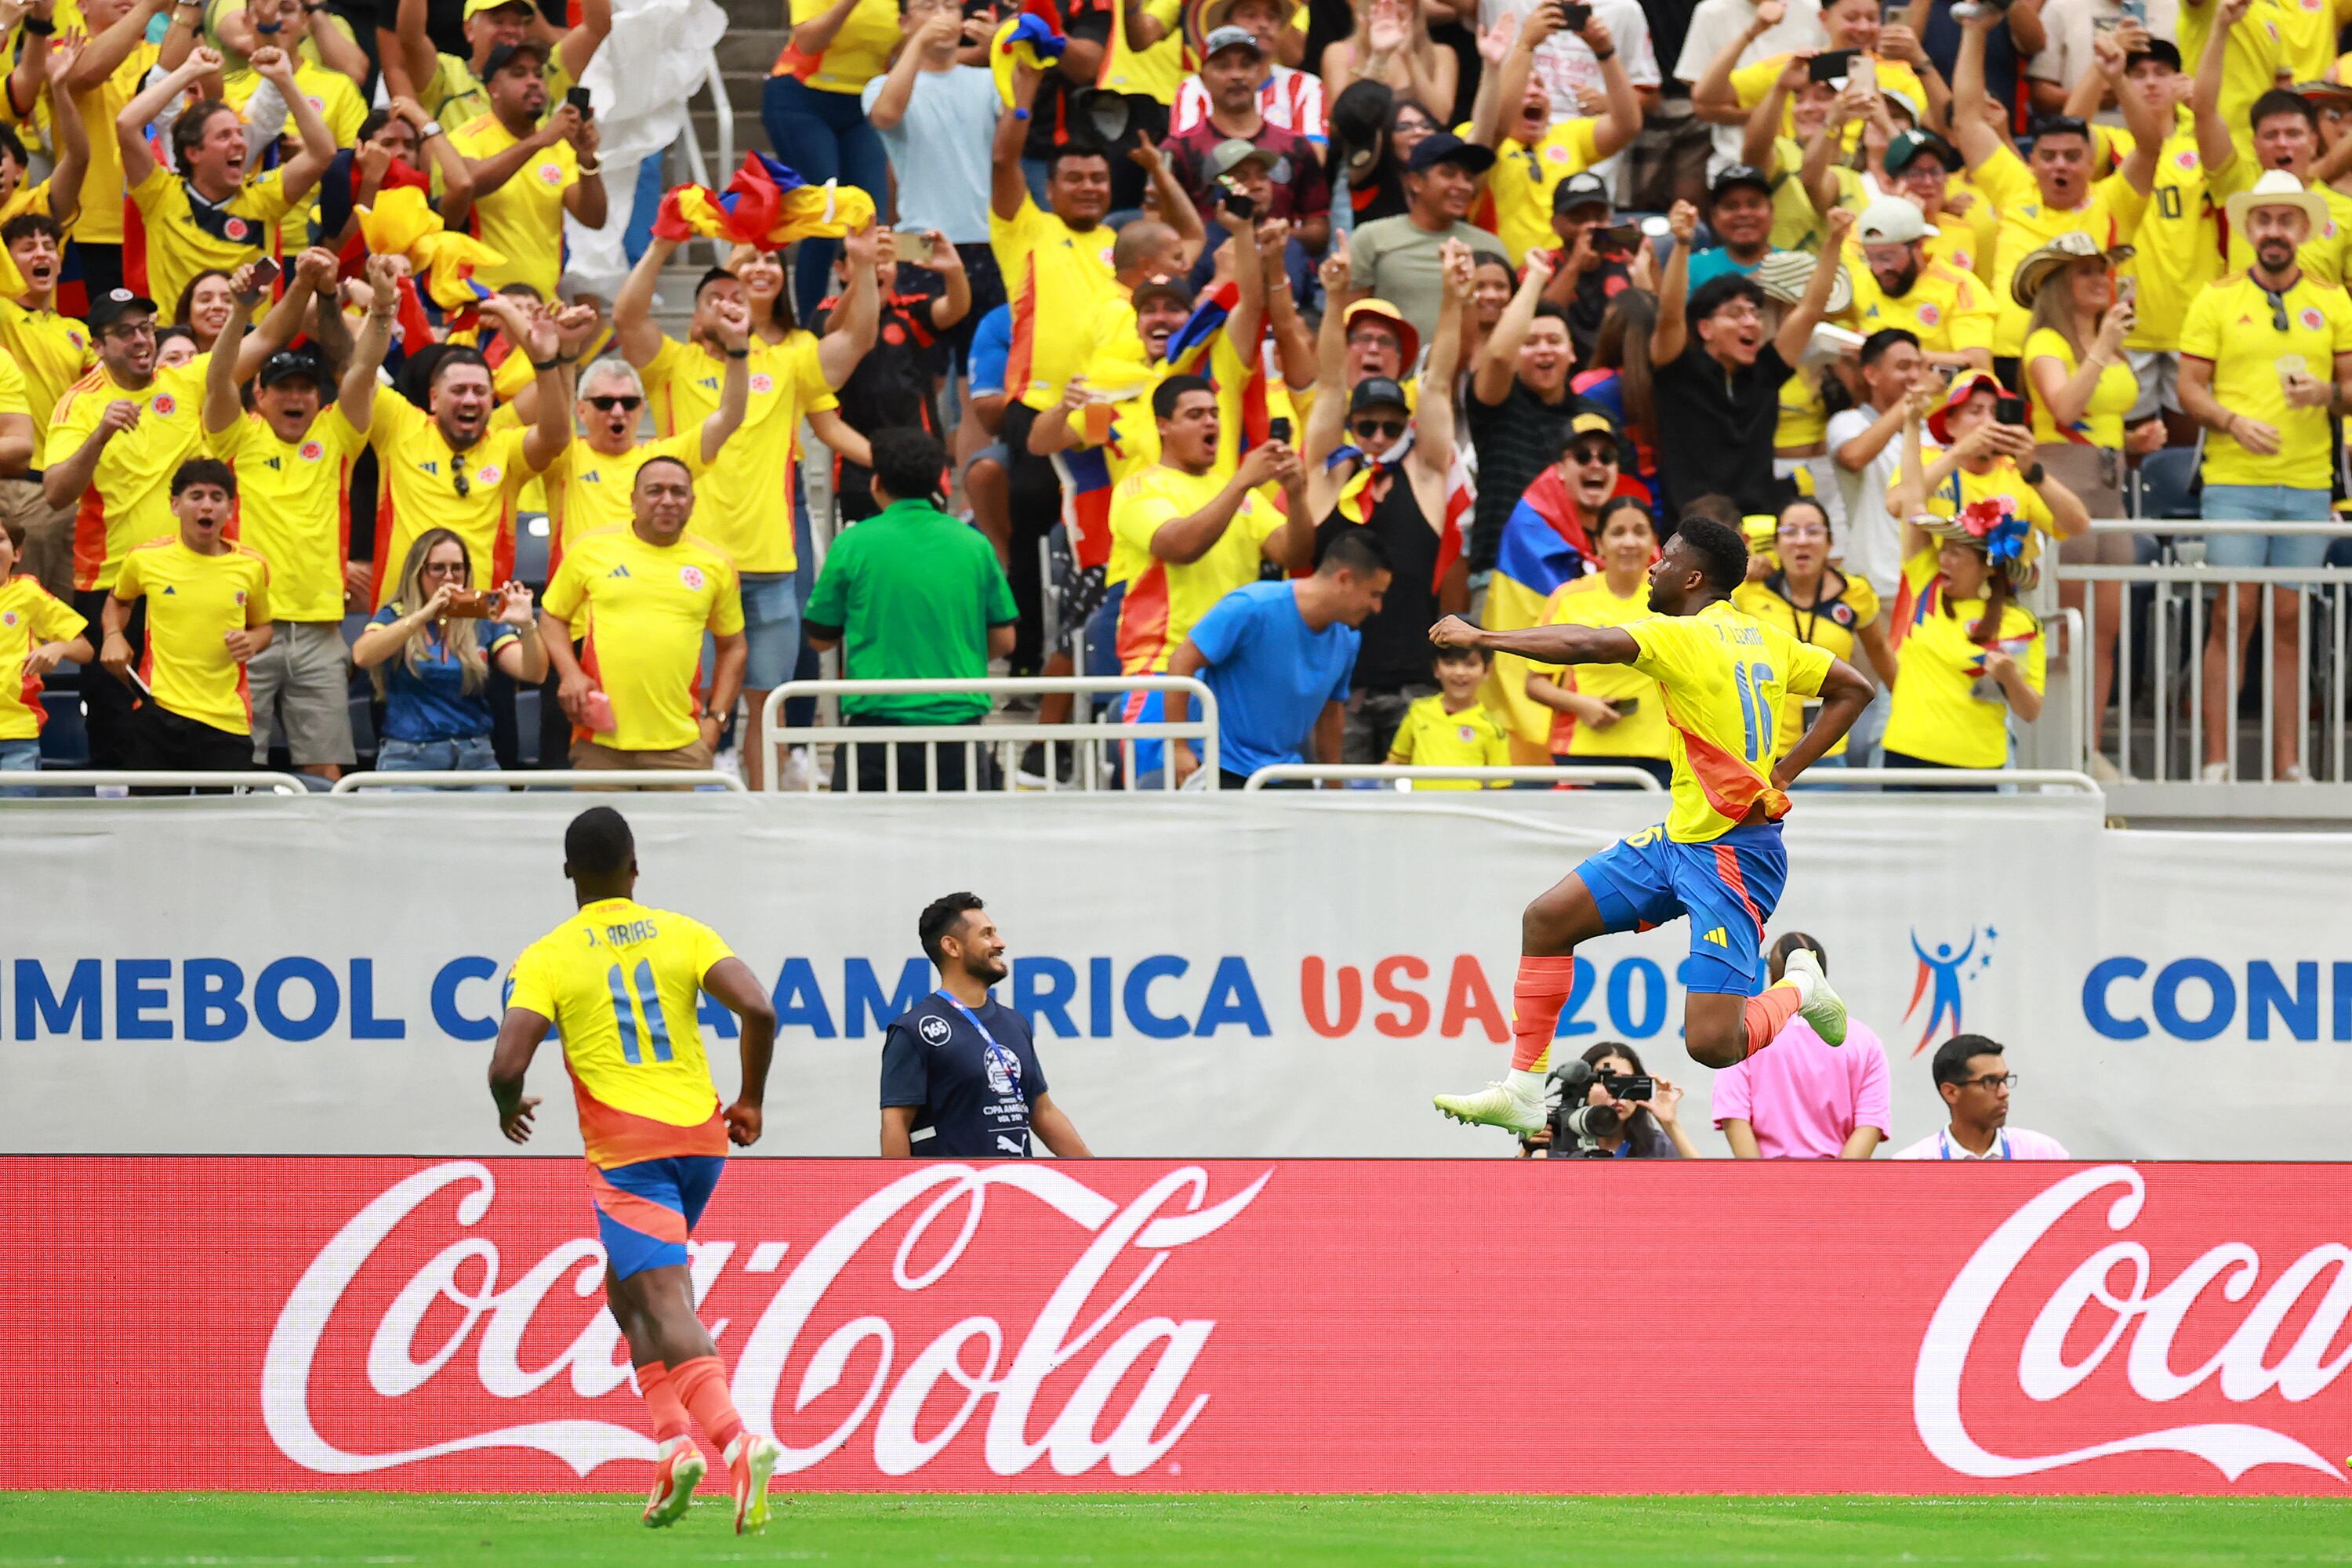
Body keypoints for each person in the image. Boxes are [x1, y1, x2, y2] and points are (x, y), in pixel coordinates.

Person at [1427, 514, 1875, 1134]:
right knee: (1547, 919)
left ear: (1693, 577)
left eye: (1664, 559)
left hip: (1733, 856)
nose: (1652, 567)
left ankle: (1800, 985)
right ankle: (1525, 1090)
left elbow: (1586, 644)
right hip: (1680, 840)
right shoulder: (1764, 638)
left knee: (1714, 1044)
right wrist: (1785, 771)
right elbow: (1854, 687)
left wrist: (1483, 637)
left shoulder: (1684, 636)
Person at [488, 806, 782, 1532]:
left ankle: (732, 1442)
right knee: (626, 1296)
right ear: (635, 866)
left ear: (568, 874)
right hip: (701, 1141)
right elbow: (760, 1009)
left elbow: (506, 1063)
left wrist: (506, 1105)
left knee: (664, 1300)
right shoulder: (684, 932)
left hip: (629, 1152)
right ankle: (671, 1446)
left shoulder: (549, 955)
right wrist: (750, 1099)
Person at [613, 228, 877, 790]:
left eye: (739, 296)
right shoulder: (672, 364)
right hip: (693, 564)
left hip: (770, 563)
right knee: (694, 700)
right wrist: (660, 246)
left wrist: (862, 265)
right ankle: (691, 809)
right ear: (699, 312)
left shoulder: (787, 361)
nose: (730, 303)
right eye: (716, 296)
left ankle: (764, 816)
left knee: (766, 703)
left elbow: (855, 339)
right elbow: (628, 319)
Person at [2180, 170, 2352, 784]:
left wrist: (2328, 392)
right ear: (2248, 227)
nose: (2274, 231)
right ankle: (2216, 761)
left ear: (2304, 228)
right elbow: (2188, 389)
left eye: (2286, 220)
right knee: (2234, 612)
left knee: (2289, 618)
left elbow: (2351, 390)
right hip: (2234, 483)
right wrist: (2232, 420)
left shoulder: (2333, 299)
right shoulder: (2216, 297)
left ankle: (2289, 763)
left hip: (2308, 483)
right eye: (2264, 220)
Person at [1306, 237, 1468, 763]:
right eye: (1366, 425)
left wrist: (1452, 298)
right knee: (1335, 820)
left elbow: (1439, 384)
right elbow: (1330, 384)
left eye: (1391, 426)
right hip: (1336, 689)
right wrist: (1333, 300)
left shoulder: (1422, 474)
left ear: (1406, 426)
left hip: (1413, 687)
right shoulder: (1329, 476)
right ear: (1351, 426)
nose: (1377, 436)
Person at [201, 252, 363, 780]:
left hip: (320, 628)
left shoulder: (334, 433)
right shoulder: (238, 435)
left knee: (325, 769)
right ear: (260, 396)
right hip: (248, 624)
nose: (296, 397)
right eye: (284, 388)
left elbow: (358, 366)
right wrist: (241, 312)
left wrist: (331, 294)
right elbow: (217, 376)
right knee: (239, 766)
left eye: (305, 389)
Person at [1107, 373, 1312, 779]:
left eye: (1215, 414)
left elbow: (1296, 552)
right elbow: (1180, 546)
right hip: (1162, 675)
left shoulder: (1241, 495)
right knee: (1159, 808)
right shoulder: (1140, 488)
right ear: (1163, 425)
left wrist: (1299, 493)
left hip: (1232, 680)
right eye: (1195, 414)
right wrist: (1240, 483)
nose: (1211, 423)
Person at [43, 286, 215, 768]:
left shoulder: (182, 382)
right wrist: (101, 432)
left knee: (188, 716)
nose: (141, 340)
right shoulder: (79, 403)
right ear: (97, 346)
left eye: (146, 328)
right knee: (116, 724)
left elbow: (259, 343)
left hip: (186, 580)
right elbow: (56, 493)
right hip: (111, 585)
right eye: (125, 332)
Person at [802, 427, 1020, 793]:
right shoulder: (974, 544)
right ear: (940, 481)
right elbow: (1005, 639)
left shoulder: (853, 544)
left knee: (862, 845)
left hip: (875, 732)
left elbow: (820, 638)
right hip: (958, 731)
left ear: (877, 483)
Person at [1947, 2, 2160, 371]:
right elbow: (1966, 119)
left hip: (2086, 361)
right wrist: (1974, 32)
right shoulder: (2015, 187)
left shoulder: (2113, 201)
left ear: (2091, 164)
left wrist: (2119, 80)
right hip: (2011, 358)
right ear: (2032, 161)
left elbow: (2150, 147)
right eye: (2049, 157)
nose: (2060, 165)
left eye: (2072, 157)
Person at [347, 288, 580, 607]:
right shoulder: (401, 428)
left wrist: (543, 361)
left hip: (479, 620)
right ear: (433, 398)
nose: (470, 399)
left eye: (480, 391)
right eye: (458, 390)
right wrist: (381, 306)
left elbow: (555, 437)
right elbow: (361, 371)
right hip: (400, 619)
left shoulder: (505, 446)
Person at [2014, 230, 2145, 770]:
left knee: (2105, 631)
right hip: (2065, 484)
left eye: (2104, 270)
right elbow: (2063, 408)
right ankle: (2056, 750)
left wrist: (2134, 443)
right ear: (2059, 284)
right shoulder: (2045, 342)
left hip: (2110, 488)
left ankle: (2089, 749)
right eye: (2088, 271)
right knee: (2065, 627)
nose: (2102, 280)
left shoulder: (2103, 340)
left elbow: (2097, 416)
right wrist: (2102, 346)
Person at [538, 457, 746, 775]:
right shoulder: (590, 550)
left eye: (678, 492)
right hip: (600, 743)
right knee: (600, 826)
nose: (667, 501)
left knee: (680, 828)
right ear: (633, 500)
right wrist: (570, 673)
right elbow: (552, 618)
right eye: (654, 491)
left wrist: (716, 720)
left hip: (682, 746)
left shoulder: (716, 565)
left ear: (692, 502)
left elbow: (734, 647)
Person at [116, 44, 337, 339]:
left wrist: (285, 80)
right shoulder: (159, 195)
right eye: (224, 136)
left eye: (239, 133)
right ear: (193, 152)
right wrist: (189, 70)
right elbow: (126, 124)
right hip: (178, 351)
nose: (240, 143)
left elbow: (323, 153)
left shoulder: (264, 200)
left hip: (247, 351)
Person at [1650, 199, 1853, 520]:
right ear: (1704, 328)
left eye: (1754, 314)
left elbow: (1811, 309)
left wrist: (1835, 241)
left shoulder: (1765, 373)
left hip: (1759, 529)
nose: (1751, 323)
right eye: (1735, 314)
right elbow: (1670, 316)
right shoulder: (1678, 371)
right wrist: (1682, 243)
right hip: (1692, 530)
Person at [1164, 527, 1394, 788]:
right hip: (1218, 766)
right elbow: (1181, 661)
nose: (1378, 608)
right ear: (1344, 579)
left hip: (1285, 771)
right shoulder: (1252, 606)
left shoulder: (1348, 638)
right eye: (1375, 595)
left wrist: (1335, 786)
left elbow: (1331, 714)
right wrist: (1179, 747)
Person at [98, 457, 272, 782]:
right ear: (175, 505)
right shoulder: (144, 559)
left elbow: (264, 627)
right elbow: (118, 600)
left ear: (230, 509)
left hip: (226, 721)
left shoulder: (252, 566)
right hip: (160, 713)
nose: (206, 506)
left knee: (224, 829)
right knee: (152, 824)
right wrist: (112, 634)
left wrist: (252, 642)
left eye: (217, 498)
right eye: (196, 496)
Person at [881, 892, 1092, 1159]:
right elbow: (895, 1123)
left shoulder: (1015, 1023)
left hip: (1012, 1190)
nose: (1000, 943)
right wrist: (902, 1194)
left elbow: (1042, 1111)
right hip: (955, 1193)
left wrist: (1096, 1176)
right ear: (952, 947)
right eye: (987, 934)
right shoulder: (913, 1030)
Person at [351, 525, 548, 776]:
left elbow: (534, 673)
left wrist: (527, 625)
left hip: (475, 756)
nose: (448, 577)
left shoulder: (481, 620)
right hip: (408, 756)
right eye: (437, 568)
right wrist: (423, 615)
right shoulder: (395, 615)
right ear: (418, 573)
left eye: (457, 568)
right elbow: (362, 655)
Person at [1878, 499, 2045, 782]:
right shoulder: (1926, 587)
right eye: (1944, 550)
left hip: (1977, 767)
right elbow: (1913, 498)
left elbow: (2030, 711)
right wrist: (1934, 452)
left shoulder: (2017, 622)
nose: (1943, 560)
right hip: (1905, 755)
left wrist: (2010, 678)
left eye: (1957, 554)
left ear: (1989, 568)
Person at [1466, 5, 1642, 269]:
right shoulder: (1475, 135)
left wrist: (1605, 53)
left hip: (1569, 272)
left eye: (1540, 85)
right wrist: (1525, 46)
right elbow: (1499, 123)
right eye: (1523, 86)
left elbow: (1627, 125)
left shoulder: (1568, 134)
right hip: (1502, 278)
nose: (1534, 93)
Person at [1732, 496, 1897, 770]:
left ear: (1830, 543)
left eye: (1813, 531)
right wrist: (1736, 576)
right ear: (1776, 544)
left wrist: (1905, 707)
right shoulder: (1747, 593)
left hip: (1826, 750)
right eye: (1790, 532)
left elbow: (1879, 651)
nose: (1802, 541)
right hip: (1757, 752)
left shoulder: (1856, 593)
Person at [1524, 495, 1671, 786]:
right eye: (1617, 533)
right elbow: (1535, 683)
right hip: (1581, 754)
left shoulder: (1673, 599)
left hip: (1661, 757)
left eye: (1639, 532)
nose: (1629, 542)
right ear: (1599, 543)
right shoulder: (1569, 598)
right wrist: (1582, 705)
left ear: (1654, 541)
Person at [765, 0, 896, 320]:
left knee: (871, 220)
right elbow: (808, 41)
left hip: (863, 102)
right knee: (827, 216)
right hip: (803, 97)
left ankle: (865, 320)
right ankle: (812, 324)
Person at [448, 39, 605, 300]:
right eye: (519, 74)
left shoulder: (558, 145)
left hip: (543, 306)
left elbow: (594, 218)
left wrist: (587, 161)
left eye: (539, 74)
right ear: (493, 89)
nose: (533, 82)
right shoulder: (467, 137)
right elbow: (470, 182)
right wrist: (538, 141)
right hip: (481, 302)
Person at [1711, 932, 1890, 1158]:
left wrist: (1759, 1186)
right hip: (1836, 1186)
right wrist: (1840, 1187)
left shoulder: (1748, 1032)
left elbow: (1735, 1118)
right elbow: (1869, 1125)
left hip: (1767, 1183)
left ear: (1775, 975)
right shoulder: (1865, 1041)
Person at [1166, 26, 1330, 252]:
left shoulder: (1296, 145)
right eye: (1223, 66)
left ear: (1259, 72)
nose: (1237, 75)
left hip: (1282, 270)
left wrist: (1278, 237)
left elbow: (1319, 228)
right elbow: (1158, 225)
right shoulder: (1179, 149)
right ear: (1202, 77)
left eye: (1246, 65)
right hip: (1205, 274)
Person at [1465, 255, 1577, 569]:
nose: (1543, 349)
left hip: (1574, 576)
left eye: (1554, 341)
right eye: (1530, 342)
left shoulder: (1597, 419)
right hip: (1500, 570)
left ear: (1572, 353)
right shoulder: (1498, 402)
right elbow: (1499, 357)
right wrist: (1536, 278)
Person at [1347, 131, 1510, 345]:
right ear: (1415, 182)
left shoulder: (1490, 246)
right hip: (1391, 373)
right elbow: (1349, 319)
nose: (1462, 186)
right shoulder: (1373, 237)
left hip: (1467, 375)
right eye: (1448, 174)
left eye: (1469, 178)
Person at [390, 0, 612, 134]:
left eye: (517, 23)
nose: (510, 30)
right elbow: (411, 37)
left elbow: (597, 27)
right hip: (465, 208)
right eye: (498, 21)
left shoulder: (541, 76)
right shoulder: (447, 75)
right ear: (469, 30)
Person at [1825, 327, 1928, 609]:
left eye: (1919, 367)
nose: (1915, 377)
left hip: (1926, 586)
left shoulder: (1932, 434)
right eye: (1903, 367)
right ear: (1870, 375)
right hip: (1871, 586)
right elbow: (1854, 457)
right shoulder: (1848, 422)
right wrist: (1909, 405)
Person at [1676, 0, 1828, 180]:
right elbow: (1703, 104)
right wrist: (1773, 112)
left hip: (1812, 159)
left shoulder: (1813, 9)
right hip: (1734, 161)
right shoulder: (1711, 12)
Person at [1847, 194, 1994, 373]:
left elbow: (1977, 363)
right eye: (1871, 258)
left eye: (1887, 258)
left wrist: (1888, 353)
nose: (1878, 269)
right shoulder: (1860, 281)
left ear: (1918, 245)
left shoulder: (1960, 286)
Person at [0, 514, 93, 794]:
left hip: (15, 738)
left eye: (0, 539)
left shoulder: (27, 593)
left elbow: (85, 650)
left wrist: (59, 647)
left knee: (16, 830)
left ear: (17, 553)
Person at [1890, 1033, 2069, 1160]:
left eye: (2004, 1079)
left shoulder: (2043, 1155)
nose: (2004, 1092)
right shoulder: (1912, 1166)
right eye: (1990, 1082)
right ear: (1951, 1092)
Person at [1385, 641, 1511, 786]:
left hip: (1465, 808)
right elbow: (1396, 762)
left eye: (1470, 664)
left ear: (1486, 670)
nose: (1459, 672)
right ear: (1436, 669)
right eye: (1450, 663)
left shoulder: (1493, 727)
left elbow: (1501, 786)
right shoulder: (1418, 711)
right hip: (1421, 807)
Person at [1558, 1041, 1700, 1158]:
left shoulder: (1657, 1146)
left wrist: (1670, 1124)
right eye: (1607, 1081)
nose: (1617, 1094)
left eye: (1626, 1082)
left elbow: (1707, 1184)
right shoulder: (1562, 1144)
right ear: (1584, 1087)